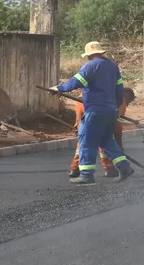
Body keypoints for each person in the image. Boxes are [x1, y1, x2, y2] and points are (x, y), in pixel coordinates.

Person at [56, 41, 134, 184]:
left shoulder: (90, 66)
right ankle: (124, 167)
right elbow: (119, 91)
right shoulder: (113, 67)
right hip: (110, 111)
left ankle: (86, 174)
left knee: (87, 140)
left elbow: (75, 82)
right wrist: (115, 108)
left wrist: (59, 88)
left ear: (89, 55)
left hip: (95, 110)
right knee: (106, 140)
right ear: (101, 52)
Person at [69, 87, 135, 178]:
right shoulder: (121, 98)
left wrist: (78, 124)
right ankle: (109, 169)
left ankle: (75, 169)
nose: (127, 105)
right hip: (94, 109)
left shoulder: (109, 90)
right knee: (104, 138)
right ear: (126, 94)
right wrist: (119, 146)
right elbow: (118, 126)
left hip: (83, 100)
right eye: (129, 101)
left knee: (84, 138)